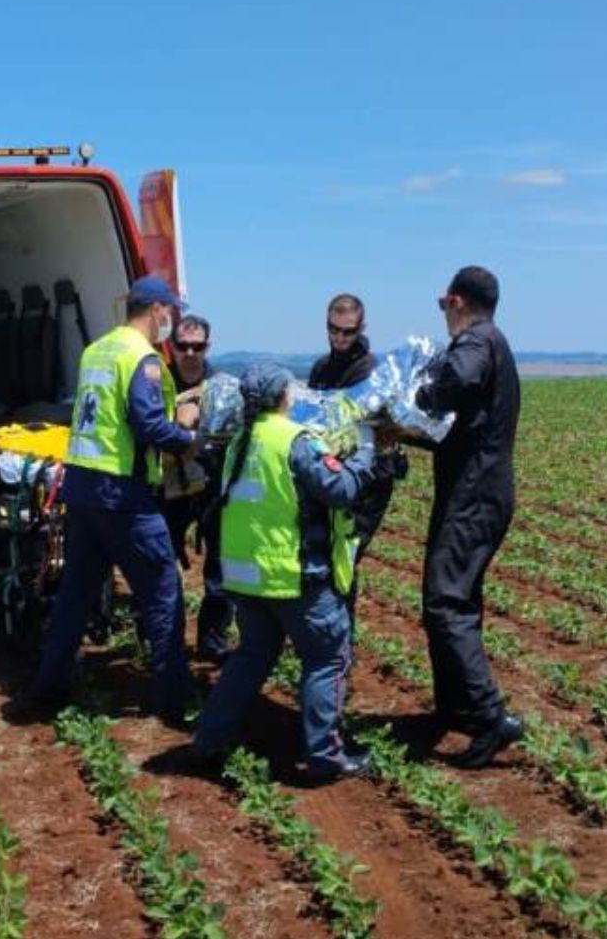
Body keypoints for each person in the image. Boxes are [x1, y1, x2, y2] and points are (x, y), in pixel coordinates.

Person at [192, 364, 376, 782]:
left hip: (247, 578)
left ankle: (208, 738)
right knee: (326, 659)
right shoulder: (294, 441)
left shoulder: (239, 441)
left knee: (251, 658)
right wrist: (365, 449)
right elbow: (341, 490)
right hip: (294, 577)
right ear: (283, 397)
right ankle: (325, 756)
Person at [29, 275, 200, 723]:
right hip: (121, 492)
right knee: (162, 590)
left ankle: (49, 685)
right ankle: (174, 698)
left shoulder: (96, 350)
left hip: (82, 488)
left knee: (77, 593)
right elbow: (147, 425)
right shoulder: (140, 357)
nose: (172, 320)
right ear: (157, 309)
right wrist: (186, 435)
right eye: (171, 312)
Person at [416, 265, 525, 768]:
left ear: (456, 301)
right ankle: (455, 707)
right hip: (479, 489)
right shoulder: (494, 339)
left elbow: (459, 376)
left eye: (444, 306)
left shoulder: (477, 340)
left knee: (445, 602)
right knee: (457, 599)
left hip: (474, 494)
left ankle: (489, 717)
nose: (443, 315)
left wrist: (422, 393)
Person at [307, 293, 408, 556]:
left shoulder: (372, 372)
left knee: (346, 554)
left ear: (361, 329)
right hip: (331, 470)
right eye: (333, 329)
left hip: (368, 477)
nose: (339, 337)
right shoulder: (321, 368)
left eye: (348, 332)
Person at [159, 314, 234, 659]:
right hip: (166, 490)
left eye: (198, 346)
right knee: (160, 564)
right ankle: (160, 637)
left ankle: (212, 640)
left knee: (221, 568)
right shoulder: (156, 384)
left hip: (212, 488)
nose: (190, 352)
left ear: (208, 347)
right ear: (171, 347)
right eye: (183, 346)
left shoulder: (221, 387)